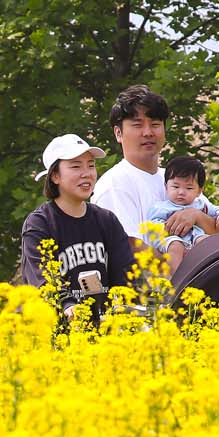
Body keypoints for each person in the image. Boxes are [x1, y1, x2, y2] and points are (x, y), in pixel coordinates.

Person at [90, 84, 219, 252]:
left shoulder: (176, 179)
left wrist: (195, 215)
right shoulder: (114, 184)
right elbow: (129, 248)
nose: (148, 132)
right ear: (118, 133)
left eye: (155, 124)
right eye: (137, 125)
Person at [19, 133, 134, 319]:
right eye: (75, 166)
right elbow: (42, 278)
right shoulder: (39, 224)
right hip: (57, 333)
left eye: (91, 165)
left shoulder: (106, 220)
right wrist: (68, 304)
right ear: (55, 176)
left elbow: (126, 275)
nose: (87, 173)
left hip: (106, 332)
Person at [143, 155, 219, 272]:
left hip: (194, 238)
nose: (181, 192)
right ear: (166, 187)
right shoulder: (161, 207)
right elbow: (153, 226)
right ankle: (176, 279)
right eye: (175, 186)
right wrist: (164, 229)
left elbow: (217, 210)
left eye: (189, 188)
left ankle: (207, 274)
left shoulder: (200, 204)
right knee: (176, 246)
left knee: (207, 243)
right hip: (170, 238)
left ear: (199, 191)